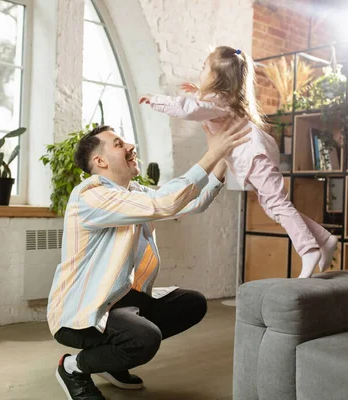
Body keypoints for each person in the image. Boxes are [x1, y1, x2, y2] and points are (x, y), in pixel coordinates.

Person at [47, 119, 251, 400]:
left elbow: (191, 203)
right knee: (144, 338)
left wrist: (223, 159)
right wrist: (212, 152)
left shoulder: (135, 193)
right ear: (100, 161)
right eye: (119, 145)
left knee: (191, 304)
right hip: (80, 314)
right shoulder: (91, 195)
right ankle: (73, 367)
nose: (131, 147)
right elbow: (164, 202)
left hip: (121, 299)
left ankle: (112, 362)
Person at [139, 45, 338, 278]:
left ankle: (308, 250)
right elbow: (200, 105)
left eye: (204, 68)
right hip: (256, 158)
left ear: (216, 77)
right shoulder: (223, 99)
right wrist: (197, 91)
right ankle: (324, 239)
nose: (200, 72)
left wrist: (156, 100)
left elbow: (189, 109)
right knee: (276, 207)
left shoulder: (217, 101)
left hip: (256, 158)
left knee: (278, 206)